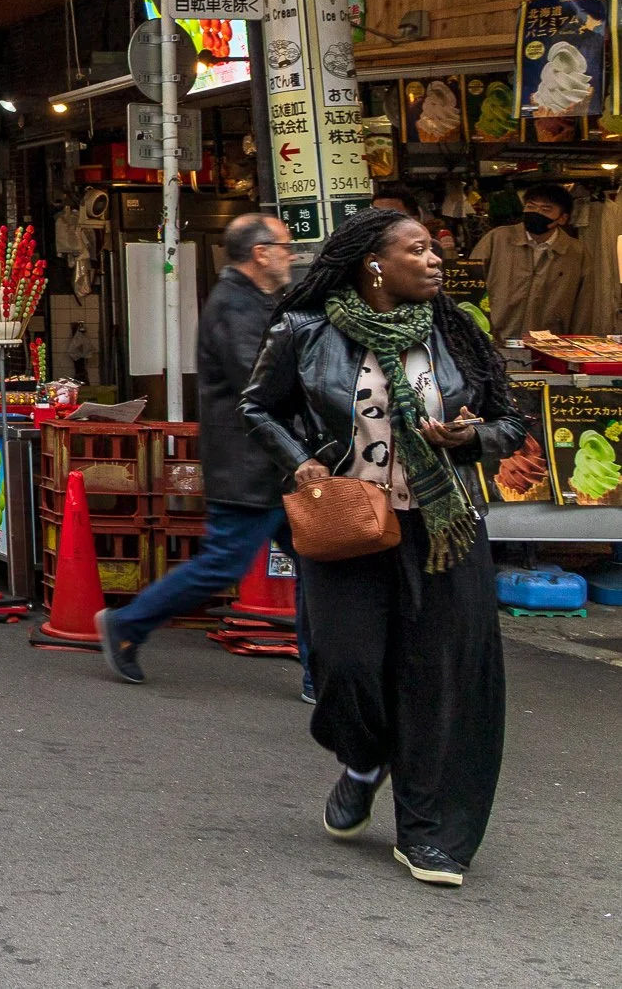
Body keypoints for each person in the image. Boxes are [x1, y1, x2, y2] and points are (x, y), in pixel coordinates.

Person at [239, 207, 526, 888]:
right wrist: (300, 461)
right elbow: (257, 407)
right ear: (375, 262)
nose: (434, 261)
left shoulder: (455, 331)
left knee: (437, 681)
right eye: (417, 249)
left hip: (443, 528)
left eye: (434, 250)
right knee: (347, 666)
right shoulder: (304, 330)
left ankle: (427, 834)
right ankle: (364, 760)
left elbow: (511, 420)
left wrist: (472, 439)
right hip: (349, 522)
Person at [99, 214, 304, 690]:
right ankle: (128, 623)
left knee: (320, 566)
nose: (291, 256)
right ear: (260, 253)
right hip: (250, 465)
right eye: (285, 247)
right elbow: (262, 384)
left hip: (272, 465)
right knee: (222, 564)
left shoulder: (253, 301)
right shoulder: (236, 307)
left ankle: (326, 671)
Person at [470, 182, 591, 337]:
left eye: (546, 209)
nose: (536, 212)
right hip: (496, 338)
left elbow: (584, 305)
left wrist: (577, 343)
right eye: (531, 206)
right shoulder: (498, 238)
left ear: (562, 218)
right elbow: (470, 287)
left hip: (549, 344)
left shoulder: (576, 252)